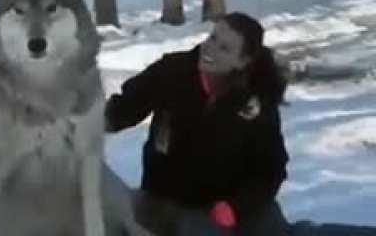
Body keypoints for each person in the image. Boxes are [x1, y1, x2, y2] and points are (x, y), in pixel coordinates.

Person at [105, 12, 290, 236]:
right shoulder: (172, 72)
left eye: (224, 48)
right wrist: (80, 123)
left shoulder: (256, 101)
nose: (210, 49)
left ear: (242, 61)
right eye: (212, 38)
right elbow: (123, 109)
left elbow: (270, 169)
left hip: (225, 209)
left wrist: (235, 207)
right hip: (163, 201)